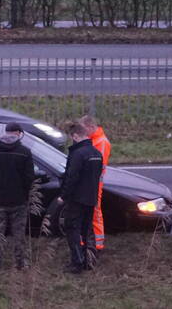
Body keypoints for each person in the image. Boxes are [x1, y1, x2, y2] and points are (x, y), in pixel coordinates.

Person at [0, 122, 35, 270]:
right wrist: (25, 194)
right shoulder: (25, 152)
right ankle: (20, 262)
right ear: (18, 133)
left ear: (6, 132)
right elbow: (29, 178)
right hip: (18, 201)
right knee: (19, 233)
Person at [57, 121, 104, 273]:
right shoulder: (97, 154)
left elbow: (72, 177)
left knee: (72, 229)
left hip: (76, 199)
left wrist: (63, 196)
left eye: (72, 138)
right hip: (91, 198)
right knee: (86, 229)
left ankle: (77, 262)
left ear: (76, 136)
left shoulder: (77, 154)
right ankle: (88, 260)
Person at [80, 114, 111, 251]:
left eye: (84, 129)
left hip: (95, 182)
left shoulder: (102, 142)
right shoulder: (93, 139)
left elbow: (99, 165)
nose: (83, 132)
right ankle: (87, 239)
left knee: (95, 211)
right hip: (89, 181)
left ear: (91, 127)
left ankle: (98, 243)